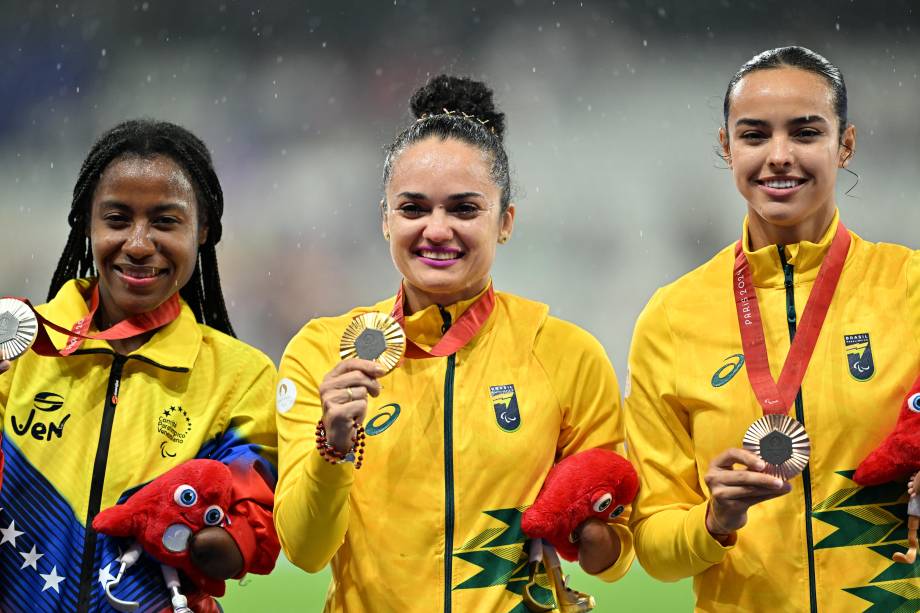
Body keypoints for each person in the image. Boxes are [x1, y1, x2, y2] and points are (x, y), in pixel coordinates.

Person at [275, 75, 634, 612]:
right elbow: (305, 550)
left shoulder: (567, 355)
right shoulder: (323, 352)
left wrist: (583, 522)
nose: (436, 230)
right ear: (384, 219)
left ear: (505, 221)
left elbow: (616, 557)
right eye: (413, 209)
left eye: (464, 209)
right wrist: (334, 446)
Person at [624, 46, 920, 611]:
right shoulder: (671, 318)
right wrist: (713, 520)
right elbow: (655, 548)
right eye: (755, 135)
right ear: (727, 146)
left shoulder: (910, 286)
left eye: (806, 133)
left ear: (846, 143)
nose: (779, 156)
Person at [0, 119, 279, 613]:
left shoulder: (242, 378)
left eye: (166, 222)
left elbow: (251, 533)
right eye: (117, 218)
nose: (138, 244)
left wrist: (205, 528)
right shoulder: (17, 350)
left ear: (204, 231)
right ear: (87, 223)